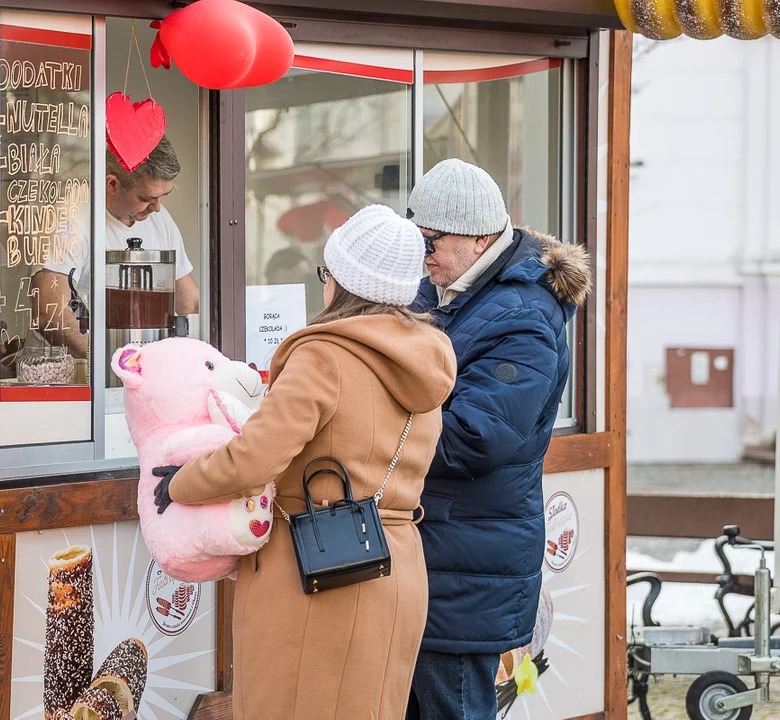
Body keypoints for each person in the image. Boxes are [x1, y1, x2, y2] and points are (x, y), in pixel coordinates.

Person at [152, 204, 457, 720]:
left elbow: (254, 459)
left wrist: (182, 481)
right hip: (395, 563)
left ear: (342, 282)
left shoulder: (325, 356)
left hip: (316, 571)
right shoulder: (427, 358)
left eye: (327, 274)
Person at [404, 158, 591, 720]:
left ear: (481, 236)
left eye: (432, 239)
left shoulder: (525, 317)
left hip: (468, 564)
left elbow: (473, 439)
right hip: (436, 549)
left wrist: (367, 430)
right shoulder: (442, 287)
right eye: (414, 238)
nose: (422, 252)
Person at [34, 136, 198, 358]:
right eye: (145, 198)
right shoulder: (72, 218)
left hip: (135, 367)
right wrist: (114, 364)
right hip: (75, 371)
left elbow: (190, 303)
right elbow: (52, 313)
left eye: (163, 196)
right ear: (112, 184)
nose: (157, 208)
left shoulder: (160, 218)